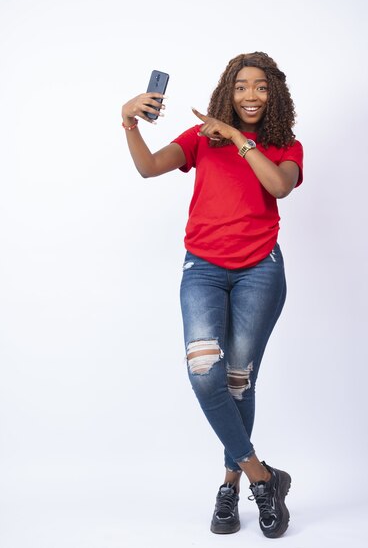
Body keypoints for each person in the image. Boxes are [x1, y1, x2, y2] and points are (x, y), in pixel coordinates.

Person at [121, 52, 303, 538]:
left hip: (259, 271)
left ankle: (228, 485)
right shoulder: (201, 140)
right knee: (205, 369)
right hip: (203, 267)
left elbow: (280, 187)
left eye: (261, 87)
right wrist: (129, 123)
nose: (250, 95)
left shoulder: (285, 145)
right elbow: (149, 167)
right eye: (241, 86)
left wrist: (243, 142)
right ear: (228, 89)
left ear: (273, 94)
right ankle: (261, 477)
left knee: (239, 380)